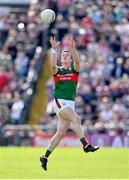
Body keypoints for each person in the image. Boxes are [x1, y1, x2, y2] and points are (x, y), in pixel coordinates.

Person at [40, 35, 99, 171]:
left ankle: (45, 156)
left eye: (67, 55)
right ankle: (85, 145)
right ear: (61, 59)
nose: (65, 56)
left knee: (60, 133)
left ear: (70, 59)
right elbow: (52, 64)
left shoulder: (74, 70)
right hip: (59, 102)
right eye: (63, 55)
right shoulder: (57, 71)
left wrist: (72, 48)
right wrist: (54, 49)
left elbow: (78, 62)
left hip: (69, 104)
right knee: (76, 118)